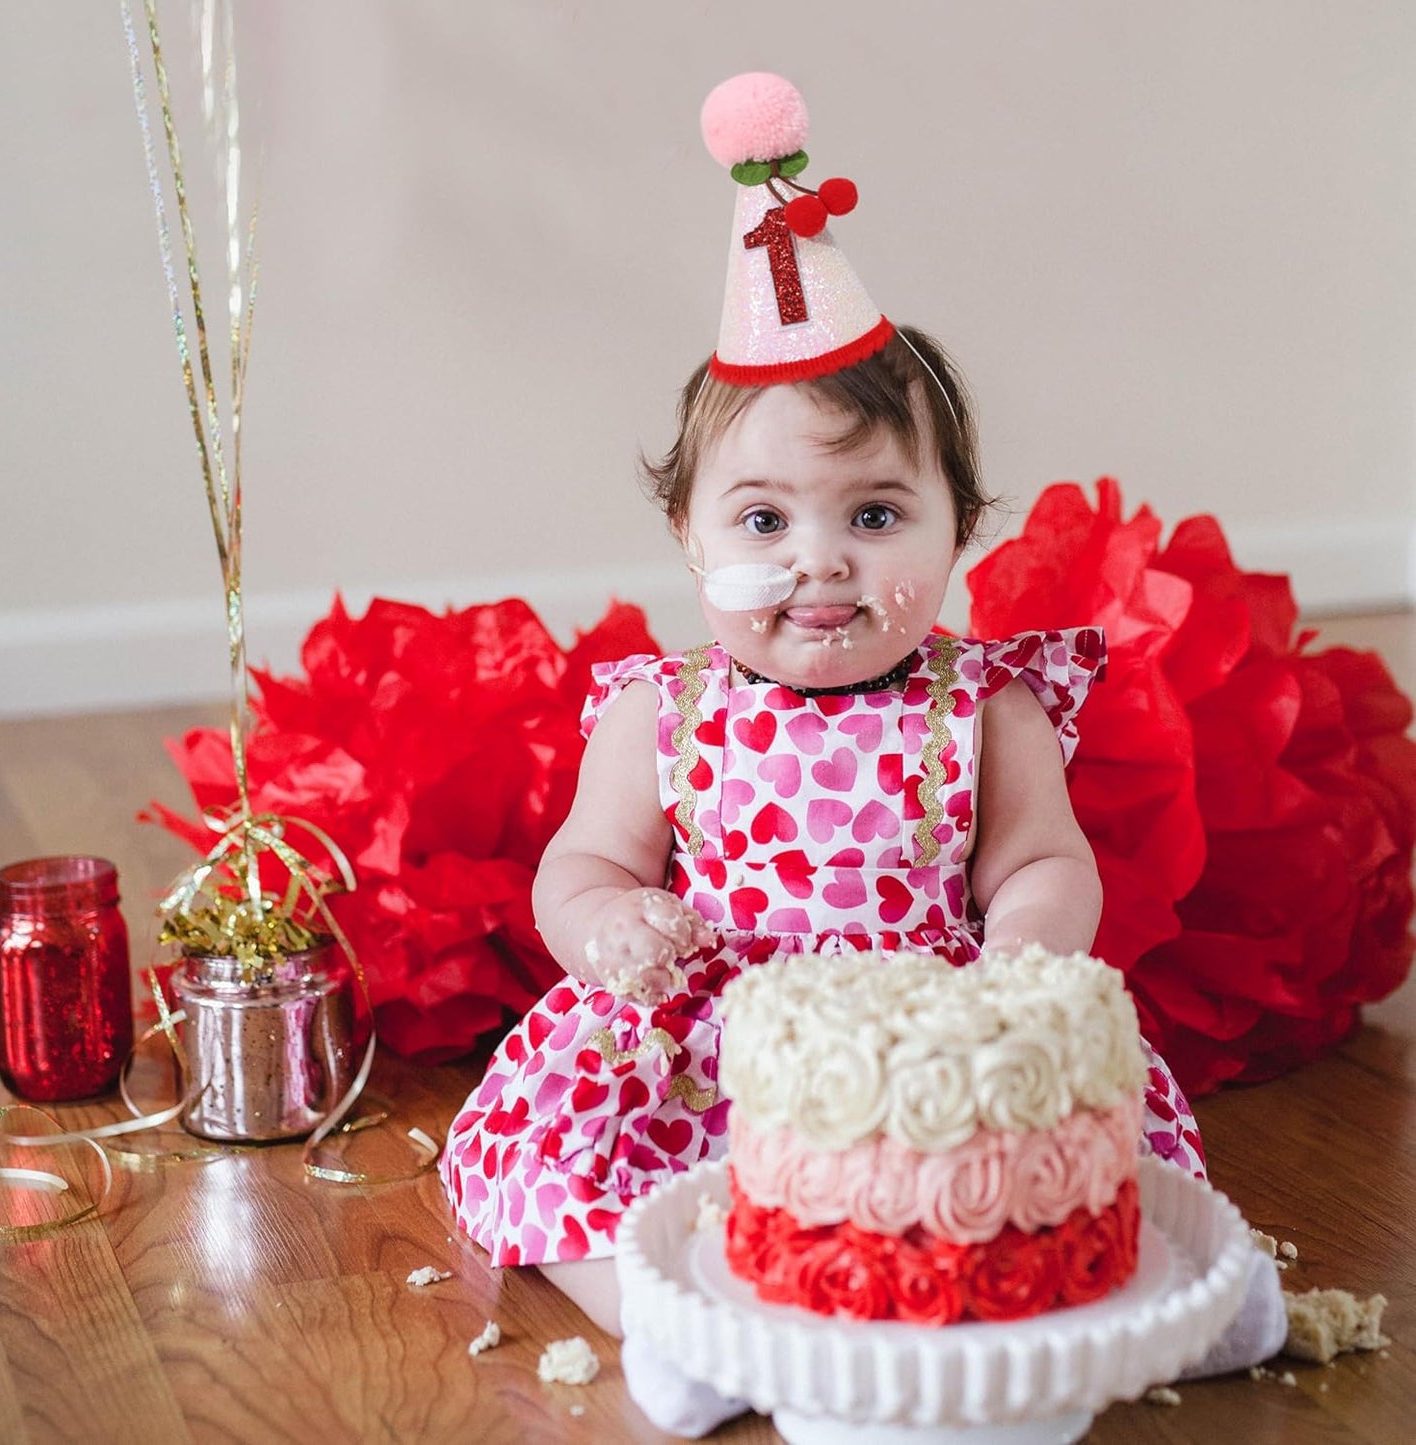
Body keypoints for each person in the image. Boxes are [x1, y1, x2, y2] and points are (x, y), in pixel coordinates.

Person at [441, 72, 1283, 1437]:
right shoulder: (660, 711)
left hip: (930, 1045)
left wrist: (1022, 959)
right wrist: (610, 923)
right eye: (762, 519)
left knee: (1075, 1183)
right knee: (566, 1177)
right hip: (710, 1040)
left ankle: (1157, 1303)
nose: (819, 560)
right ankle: (669, 1320)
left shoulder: (983, 705)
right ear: (684, 536)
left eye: (878, 512)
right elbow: (581, 863)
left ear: (960, 525)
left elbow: (1042, 860)